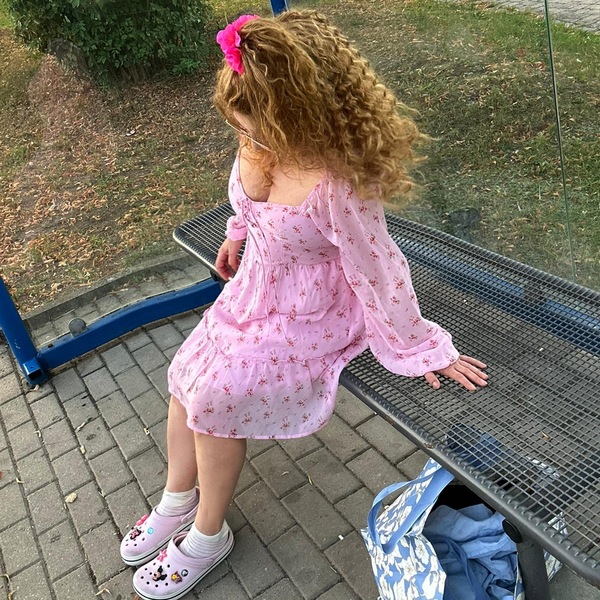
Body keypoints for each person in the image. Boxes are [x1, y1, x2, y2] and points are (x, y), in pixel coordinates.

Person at [120, 10, 489, 600]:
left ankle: (208, 535)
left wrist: (420, 346)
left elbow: (379, 269)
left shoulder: (335, 183)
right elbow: (245, 202)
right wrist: (236, 235)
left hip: (313, 311)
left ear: (296, 114)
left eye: (255, 126)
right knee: (184, 372)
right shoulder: (258, 141)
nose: (247, 137)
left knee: (213, 398)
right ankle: (176, 499)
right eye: (241, 127)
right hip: (255, 290)